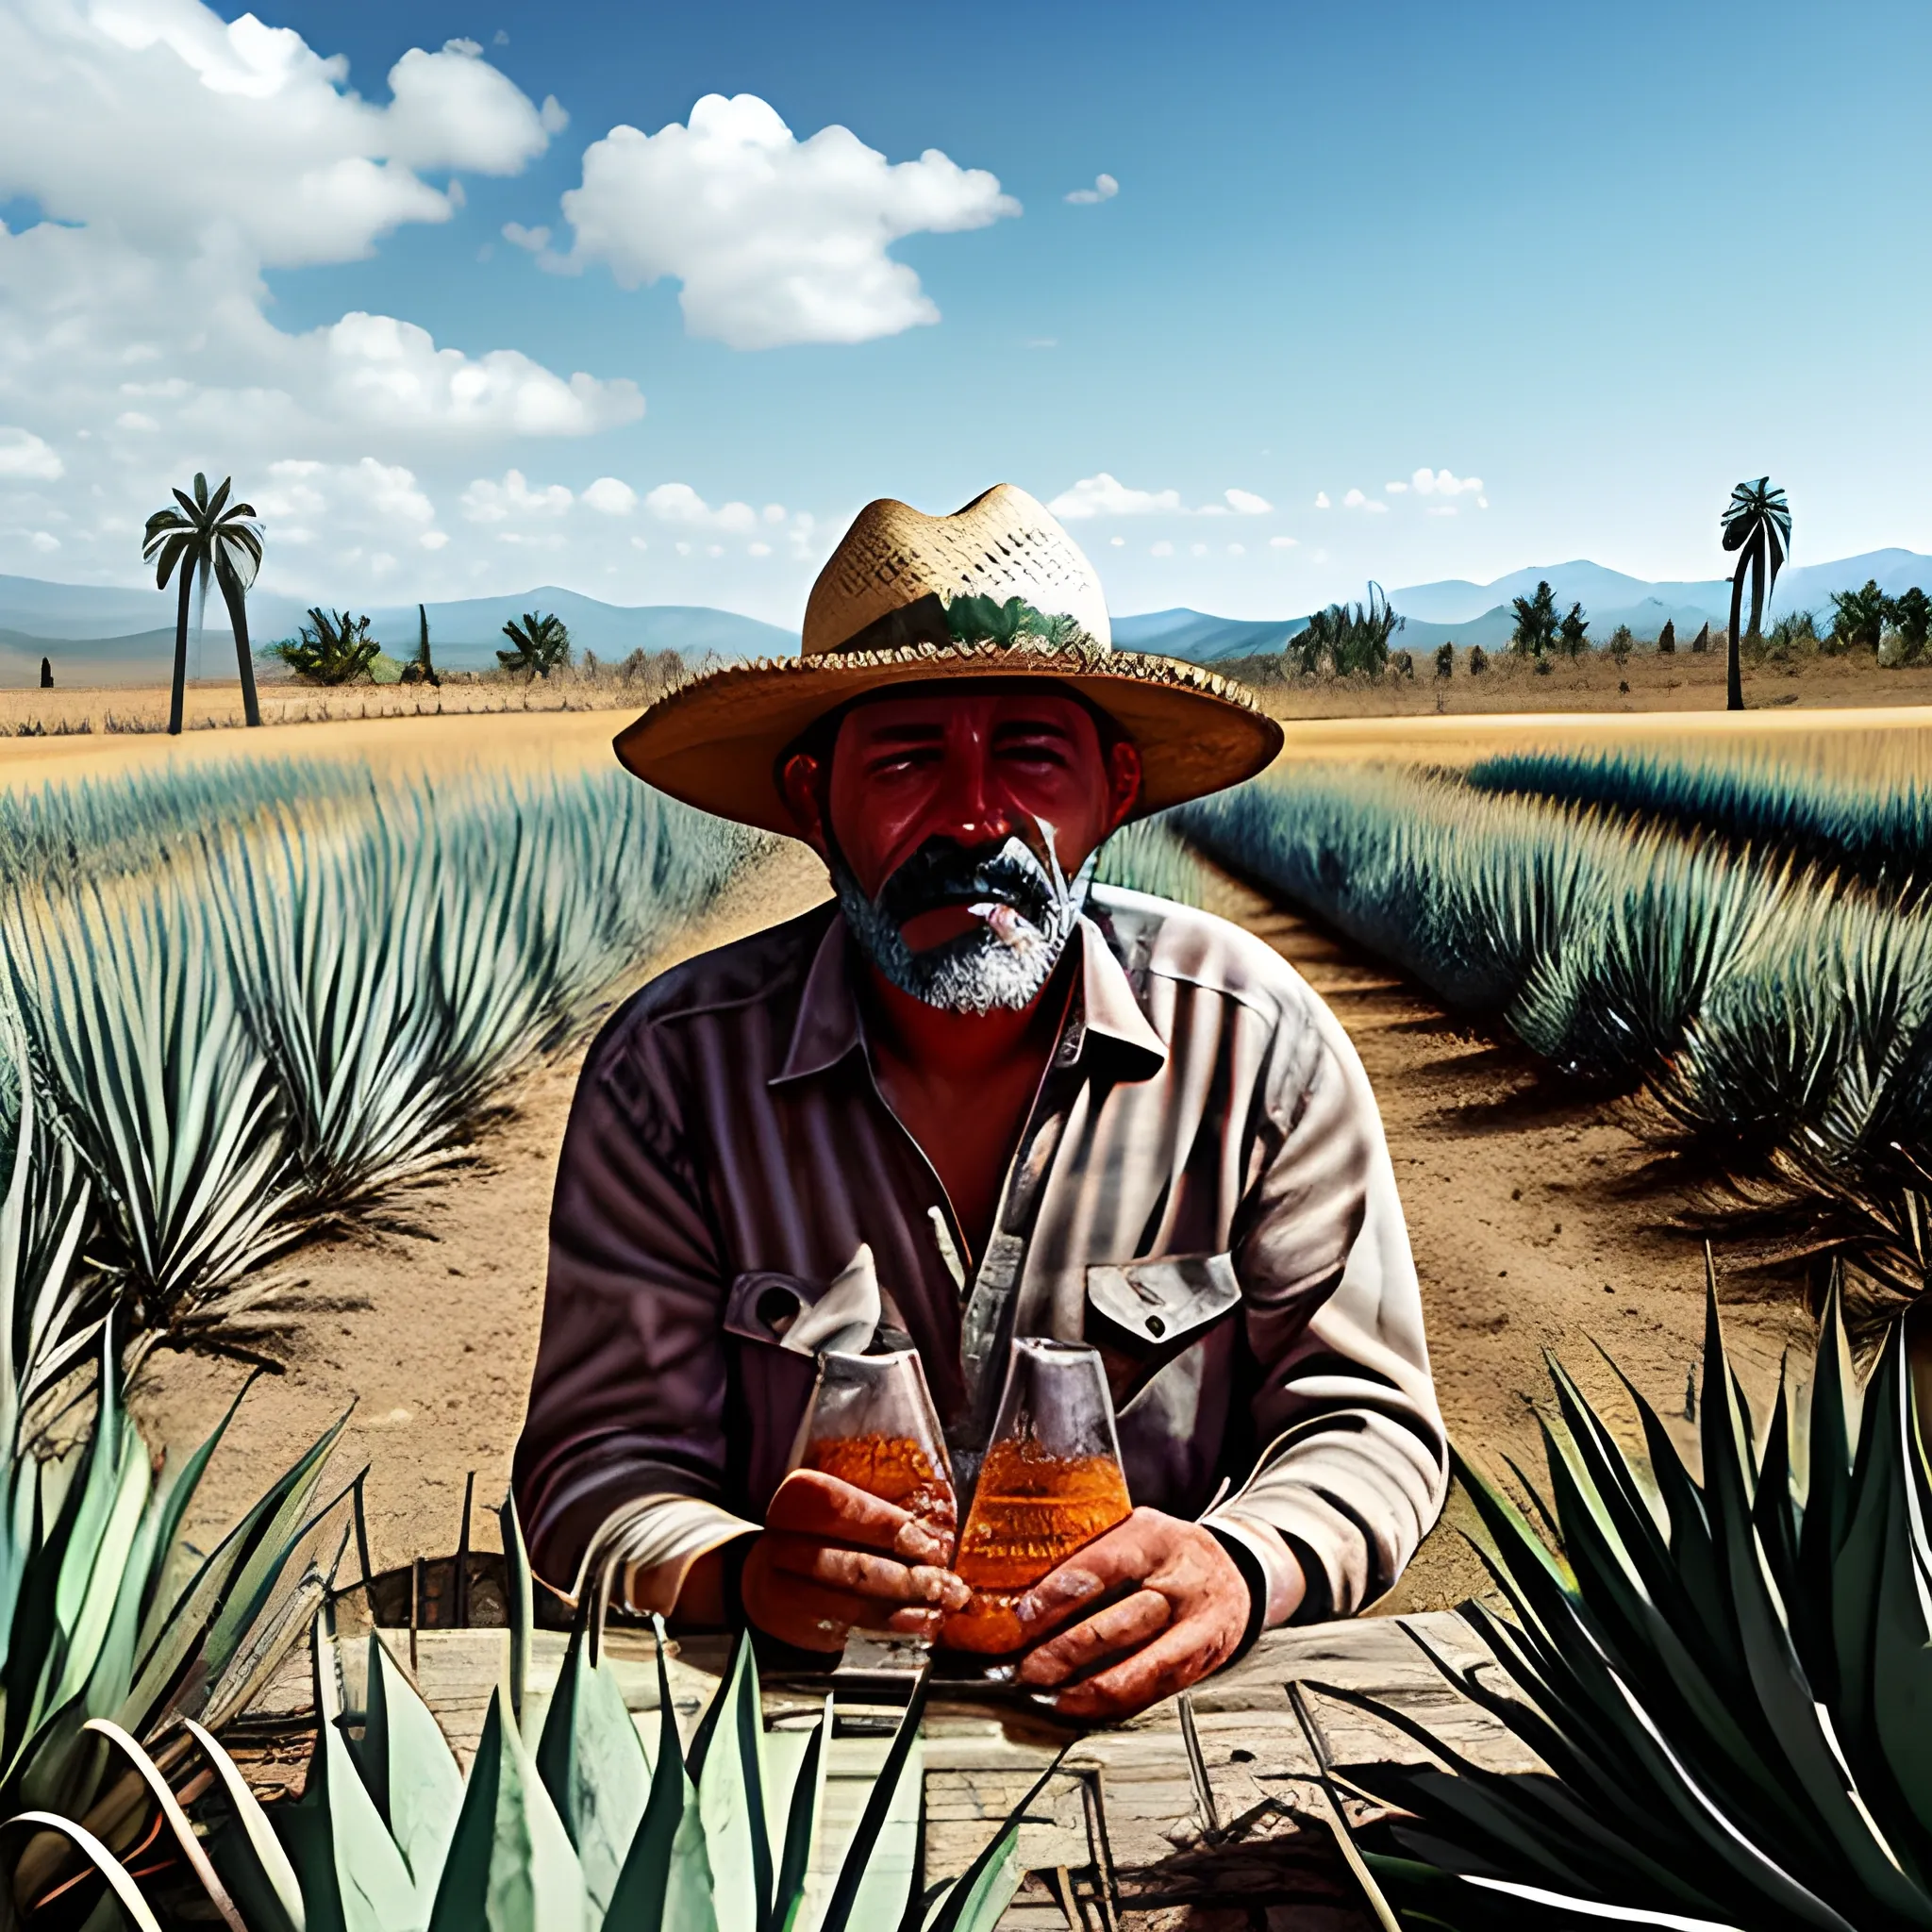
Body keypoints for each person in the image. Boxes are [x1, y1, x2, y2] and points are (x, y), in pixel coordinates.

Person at [512, 485, 1445, 1719]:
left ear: (1113, 789)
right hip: (788, 1744)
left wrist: (1235, 1566)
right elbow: (595, 1467)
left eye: (1030, 754)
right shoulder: (674, 1075)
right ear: (811, 799)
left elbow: (1368, 1426)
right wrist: (739, 1574)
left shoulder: (1256, 1048)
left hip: (1158, 1735)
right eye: (905, 759)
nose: (972, 815)